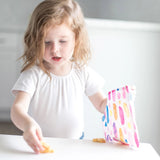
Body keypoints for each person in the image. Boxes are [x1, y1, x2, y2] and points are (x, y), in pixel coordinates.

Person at [10, 0, 107, 154]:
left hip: (76, 144)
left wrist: (119, 106)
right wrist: (28, 125)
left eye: (62, 41)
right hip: (41, 145)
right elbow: (18, 109)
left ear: (76, 39)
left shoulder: (82, 72)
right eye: (46, 42)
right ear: (36, 40)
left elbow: (102, 103)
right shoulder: (33, 75)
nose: (55, 49)